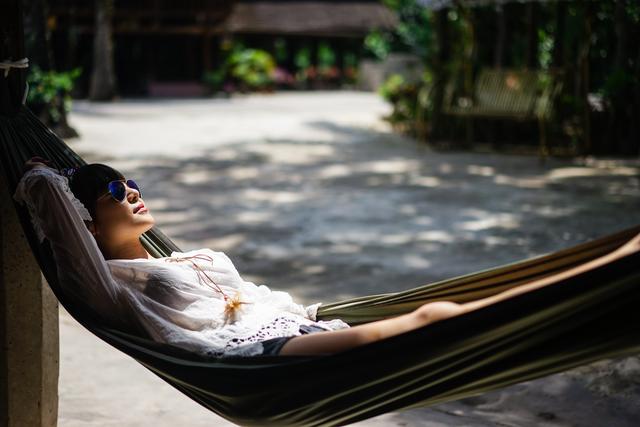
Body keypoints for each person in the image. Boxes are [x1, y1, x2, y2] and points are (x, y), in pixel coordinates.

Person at [14, 156, 640, 358]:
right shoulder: (108, 282)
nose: (133, 192)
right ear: (86, 225)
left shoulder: (182, 257)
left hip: (296, 323)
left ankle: (595, 276)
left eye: (130, 183)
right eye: (112, 193)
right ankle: (609, 275)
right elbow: (46, 194)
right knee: (433, 318)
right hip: (254, 361)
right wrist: (34, 157)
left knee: (439, 307)